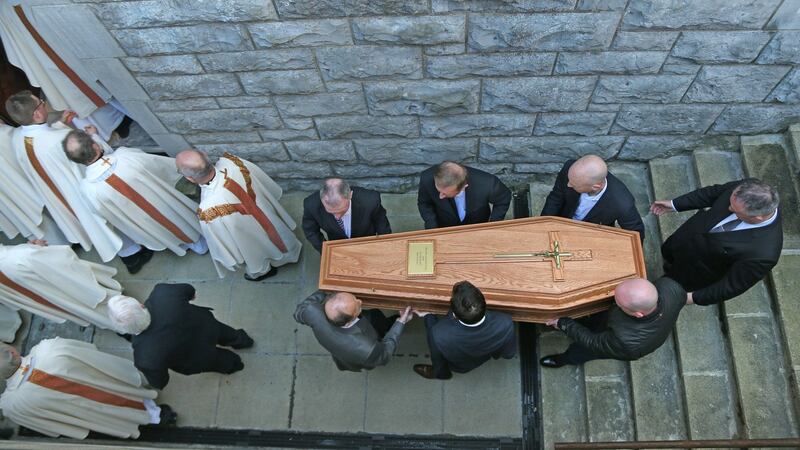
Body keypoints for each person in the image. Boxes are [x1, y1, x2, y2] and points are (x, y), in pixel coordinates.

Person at [5, 91, 152, 272]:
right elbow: (87, 158)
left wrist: (61, 124)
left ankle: (128, 252)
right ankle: (132, 254)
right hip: (78, 188)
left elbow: (41, 144)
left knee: (93, 224)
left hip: (58, 194)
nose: (44, 104)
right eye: (41, 103)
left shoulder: (17, 138)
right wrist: (94, 137)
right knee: (104, 218)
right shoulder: (57, 140)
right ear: (36, 114)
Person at [63, 129, 207, 257]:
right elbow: (158, 165)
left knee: (160, 230)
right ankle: (202, 239)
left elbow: (102, 213)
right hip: (164, 202)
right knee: (181, 218)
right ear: (95, 145)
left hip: (141, 220)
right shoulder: (125, 156)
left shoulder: (87, 189)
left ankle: (188, 246)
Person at [0, 338, 175, 440]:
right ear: (13, 352)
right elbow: (90, 351)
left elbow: (49, 426)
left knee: (103, 416)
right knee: (118, 393)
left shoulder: (10, 406)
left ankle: (146, 422)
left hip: (85, 414)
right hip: (101, 384)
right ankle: (154, 413)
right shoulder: (50, 347)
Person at [650, 178, 782, 305]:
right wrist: (675, 204)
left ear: (758, 218)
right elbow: (713, 193)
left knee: (663, 287)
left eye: (735, 211)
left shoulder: (764, 253)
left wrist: (692, 298)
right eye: (730, 202)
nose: (729, 208)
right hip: (681, 240)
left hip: (692, 273)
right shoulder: (748, 187)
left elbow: (731, 286)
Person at [175, 149, 302, 281]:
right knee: (275, 229)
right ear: (206, 156)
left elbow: (222, 241)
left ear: (189, 178)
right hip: (264, 213)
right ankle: (289, 250)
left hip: (247, 233)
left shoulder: (208, 209)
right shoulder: (231, 162)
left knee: (254, 249)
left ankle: (264, 270)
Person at [108, 283, 253, 390]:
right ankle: (243, 341)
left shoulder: (145, 359)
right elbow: (190, 291)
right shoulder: (162, 293)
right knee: (228, 333)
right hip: (207, 326)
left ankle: (234, 364)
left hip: (196, 359)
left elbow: (160, 381)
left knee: (219, 361)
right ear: (140, 305)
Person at [539, 277, 686, 367]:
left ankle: (566, 359)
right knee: (595, 320)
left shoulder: (625, 342)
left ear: (638, 314)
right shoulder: (670, 287)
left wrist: (563, 323)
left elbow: (592, 342)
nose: (615, 303)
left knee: (583, 351)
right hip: (617, 323)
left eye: (619, 304)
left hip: (621, 342)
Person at [0, 241, 132, 331]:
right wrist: (41, 250)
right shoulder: (20, 255)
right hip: (73, 288)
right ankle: (130, 316)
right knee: (106, 303)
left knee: (84, 311)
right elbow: (63, 262)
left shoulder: (16, 256)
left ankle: (120, 326)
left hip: (55, 299)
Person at [413, 281, 516, 380]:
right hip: (479, 359)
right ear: (483, 302)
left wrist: (428, 315)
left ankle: (443, 375)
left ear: (454, 315)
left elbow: (438, 361)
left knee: (440, 368)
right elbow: (508, 354)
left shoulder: (438, 334)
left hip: (459, 365)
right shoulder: (505, 322)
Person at [294, 290, 413, 371]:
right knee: (377, 322)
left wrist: (326, 294)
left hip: (340, 347)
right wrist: (401, 322)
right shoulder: (367, 348)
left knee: (374, 315)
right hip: (361, 348)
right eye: (358, 306)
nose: (360, 301)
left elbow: (298, 313)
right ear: (350, 320)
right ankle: (387, 325)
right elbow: (384, 354)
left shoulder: (311, 311)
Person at [541, 155, 644, 240]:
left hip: (592, 235)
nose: (568, 185)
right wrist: (543, 226)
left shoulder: (622, 203)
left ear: (596, 187)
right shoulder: (571, 170)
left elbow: (636, 234)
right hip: (563, 220)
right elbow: (555, 198)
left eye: (575, 184)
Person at [302, 178, 392, 252]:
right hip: (338, 244)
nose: (337, 217)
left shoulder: (371, 200)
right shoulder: (311, 205)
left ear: (350, 195)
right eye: (331, 211)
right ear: (322, 199)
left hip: (366, 241)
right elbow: (310, 231)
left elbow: (381, 223)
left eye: (341, 211)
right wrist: (327, 251)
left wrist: (385, 246)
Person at [417, 161, 511, 229]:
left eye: (445, 193)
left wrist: (493, 225)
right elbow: (424, 203)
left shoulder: (488, 183)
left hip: (477, 225)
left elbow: (504, 198)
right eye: (439, 190)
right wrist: (432, 228)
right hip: (444, 226)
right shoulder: (427, 178)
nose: (440, 196)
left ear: (463, 187)